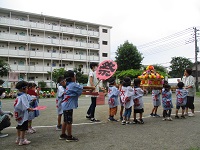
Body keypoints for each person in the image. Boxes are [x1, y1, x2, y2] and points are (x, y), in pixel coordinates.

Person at [60, 70, 83, 142]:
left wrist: (90, 89)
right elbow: (81, 89)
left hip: (65, 105)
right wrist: (91, 88)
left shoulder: (68, 84)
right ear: (72, 77)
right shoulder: (73, 84)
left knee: (65, 121)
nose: (75, 77)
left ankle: (63, 134)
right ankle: (69, 137)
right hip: (68, 106)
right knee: (69, 121)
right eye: (74, 76)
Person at [14, 81, 34, 146]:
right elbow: (26, 105)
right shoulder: (23, 96)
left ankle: (18, 138)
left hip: (18, 114)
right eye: (27, 88)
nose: (28, 89)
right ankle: (22, 140)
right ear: (24, 88)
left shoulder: (18, 96)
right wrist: (30, 109)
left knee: (19, 126)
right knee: (23, 128)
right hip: (23, 115)